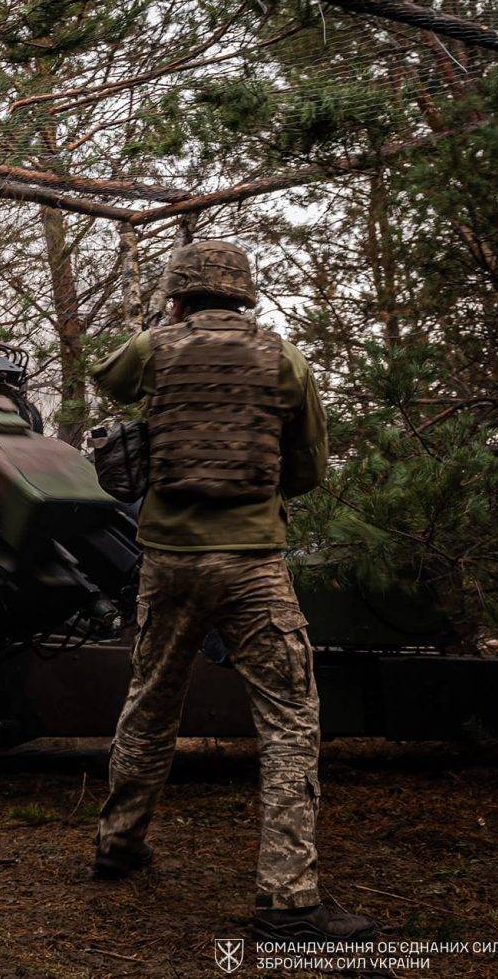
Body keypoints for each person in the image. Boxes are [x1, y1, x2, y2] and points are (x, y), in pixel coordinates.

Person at [88, 239, 377, 944]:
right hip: (252, 565)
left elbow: (111, 379)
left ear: (179, 294)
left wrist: (165, 339)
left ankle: (118, 845)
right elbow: (307, 468)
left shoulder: (155, 346)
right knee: (289, 723)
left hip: (169, 560)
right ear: (245, 294)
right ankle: (288, 900)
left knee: (150, 703)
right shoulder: (284, 358)